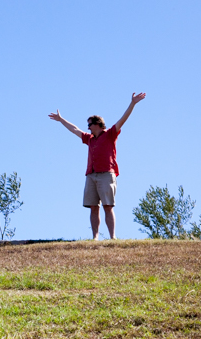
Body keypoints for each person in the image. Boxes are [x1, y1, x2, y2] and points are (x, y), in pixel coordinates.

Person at [48, 92, 146, 240]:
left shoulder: (110, 134)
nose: (87, 128)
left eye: (90, 125)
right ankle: (95, 237)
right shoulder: (90, 139)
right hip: (91, 175)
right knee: (93, 207)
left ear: (98, 124)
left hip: (107, 174)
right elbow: (75, 129)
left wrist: (132, 103)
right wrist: (61, 120)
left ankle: (112, 237)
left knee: (108, 206)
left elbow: (123, 119)